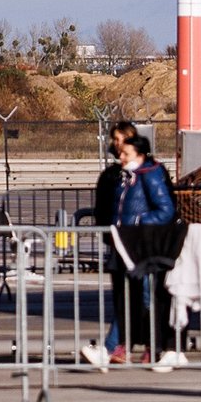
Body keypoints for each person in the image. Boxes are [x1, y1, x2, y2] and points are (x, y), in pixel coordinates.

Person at [111, 134, 183, 367]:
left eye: (126, 154)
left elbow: (165, 210)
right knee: (133, 297)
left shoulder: (150, 175)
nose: (120, 157)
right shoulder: (128, 177)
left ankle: (146, 345)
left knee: (146, 297)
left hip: (146, 245)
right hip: (130, 244)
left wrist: (138, 221)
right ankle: (123, 345)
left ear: (140, 156)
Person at [82, 121, 140, 368]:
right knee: (125, 298)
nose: (116, 144)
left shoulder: (146, 172)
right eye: (114, 139)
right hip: (118, 242)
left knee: (140, 298)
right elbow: (104, 207)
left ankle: (112, 347)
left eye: (121, 139)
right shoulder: (110, 175)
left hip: (139, 243)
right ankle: (123, 346)